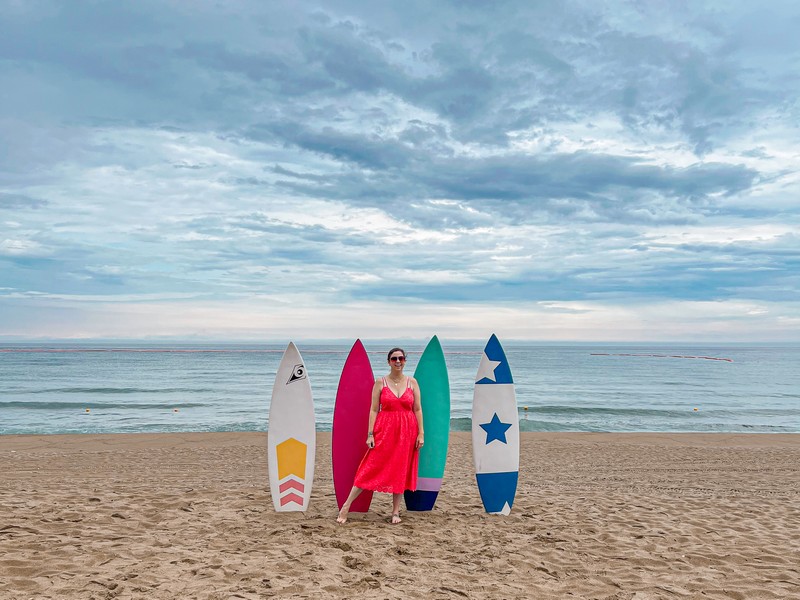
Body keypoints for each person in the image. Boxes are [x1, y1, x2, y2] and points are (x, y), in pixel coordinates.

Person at [336, 347, 424, 524]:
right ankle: (346, 506)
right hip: (385, 430)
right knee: (370, 467)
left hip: (407, 431)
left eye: (401, 358)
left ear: (405, 360)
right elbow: (374, 409)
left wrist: (421, 433)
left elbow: (417, 409)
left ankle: (395, 512)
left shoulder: (412, 382)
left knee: (400, 470)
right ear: (389, 361)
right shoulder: (380, 382)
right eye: (394, 359)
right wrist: (370, 434)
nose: (398, 361)